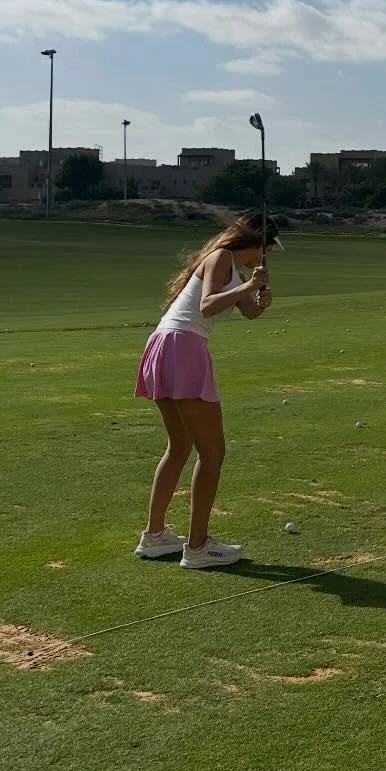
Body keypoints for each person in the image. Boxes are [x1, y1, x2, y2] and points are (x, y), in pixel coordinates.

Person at [134, 212, 276, 569]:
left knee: (180, 445)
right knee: (212, 454)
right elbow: (208, 304)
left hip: (164, 344)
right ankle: (197, 547)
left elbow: (248, 312)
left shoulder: (232, 268)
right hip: (183, 346)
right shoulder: (222, 257)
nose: (266, 257)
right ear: (256, 244)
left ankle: (155, 537)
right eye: (268, 250)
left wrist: (259, 300)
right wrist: (248, 286)